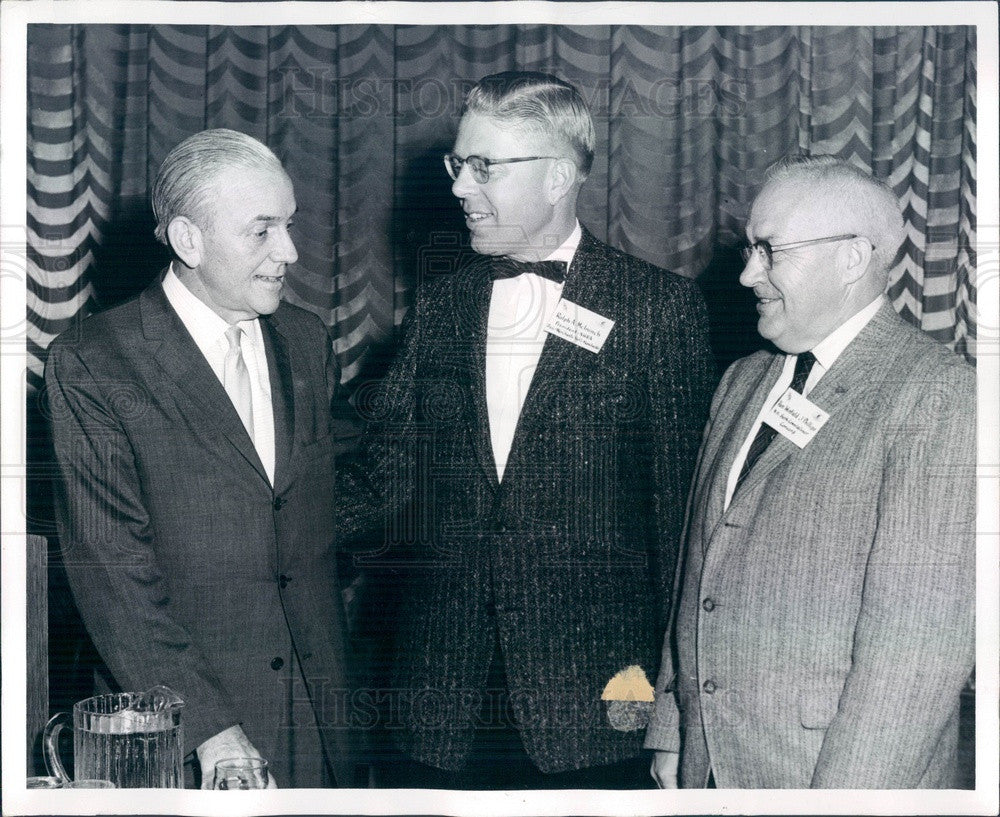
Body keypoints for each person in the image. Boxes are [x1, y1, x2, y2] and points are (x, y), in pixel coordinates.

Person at [339, 71, 716, 789]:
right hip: (438, 706)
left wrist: (672, 710)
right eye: (458, 163)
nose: (457, 187)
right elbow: (385, 477)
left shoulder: (659, 311)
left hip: (602, 708)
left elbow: (681, 530)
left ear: (558, 178)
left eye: (484, 166)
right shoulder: (442, 307)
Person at [645, 155, 975, 789]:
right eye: (750, 249)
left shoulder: (939, 398)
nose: (747, 275)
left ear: (852, 258)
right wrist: (672, 727)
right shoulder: (743, 380)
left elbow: (915, 660)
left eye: (770, 252)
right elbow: (700, 567)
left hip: (827, 779)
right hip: (706, 763)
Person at [45, 129, 362, 788]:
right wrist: (211, 728)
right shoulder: (95, 361)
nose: (291, 252)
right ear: (188, 240)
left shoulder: (306, 340)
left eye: (290, 225)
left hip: (321, 723)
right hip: (185, 733)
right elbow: (111, 572)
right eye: (262, 231)